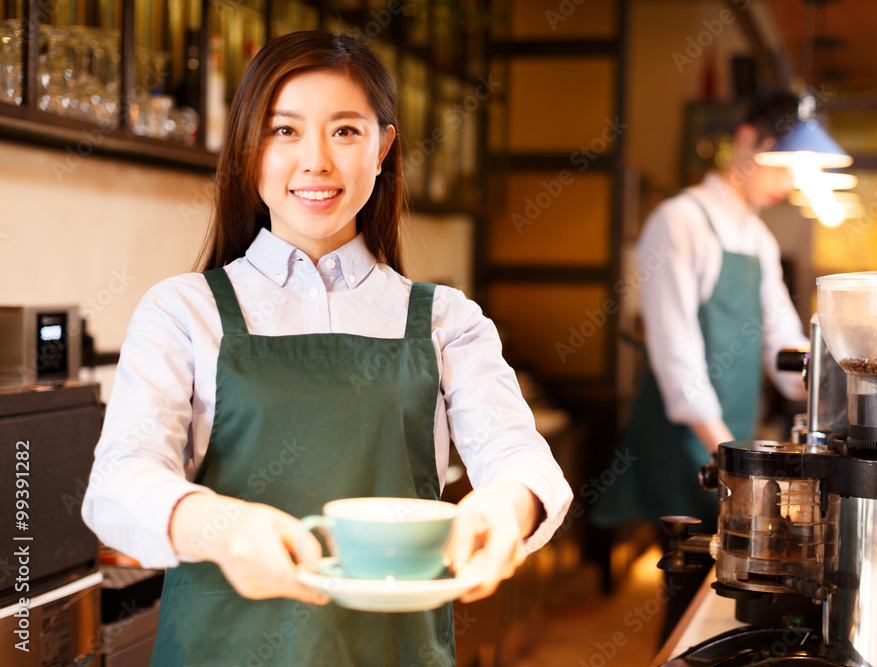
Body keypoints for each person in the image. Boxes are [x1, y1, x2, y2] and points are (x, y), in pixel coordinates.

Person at [82, 30, 572, 666]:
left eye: (345, 131)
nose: (315, 161)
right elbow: (118, 483)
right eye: (284, 131)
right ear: (248, 147)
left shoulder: (446, 320)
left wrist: (506, 509)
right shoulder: (183, 310)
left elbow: (520, 457)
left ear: (384, 147)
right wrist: (223, 528)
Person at [590, 92, 809, 636]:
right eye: (783, 162)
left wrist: (825, 388)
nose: (789, 181)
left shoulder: (757, 238)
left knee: (724, 577)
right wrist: (728, 455)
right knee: (690, 574)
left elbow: (782, 337)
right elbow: (675, 349)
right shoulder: (680, 220)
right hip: (686, 433)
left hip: (728, 435)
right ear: (745, 142)